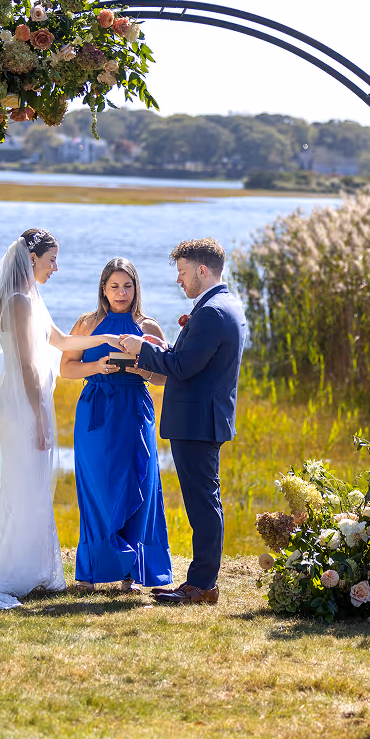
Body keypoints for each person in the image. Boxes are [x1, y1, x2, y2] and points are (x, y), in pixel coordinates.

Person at [0, 229, 123, 609]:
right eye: (51, 259)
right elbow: (25, 365)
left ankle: (34, 566)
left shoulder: (32, 299)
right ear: (32, 258)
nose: (55, 267)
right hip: (25, 405)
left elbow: (60, 341)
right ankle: (13, 571)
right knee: (24, 481)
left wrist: (105, 341)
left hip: (35, 400)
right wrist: (38, 418)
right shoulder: (19, 302)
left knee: (34, 482)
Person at [119, 238, 247, 606]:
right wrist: (156, 352)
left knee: (203, 505)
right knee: (205, 502)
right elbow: (186, 359)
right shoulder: (226, 305)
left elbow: (181, 367)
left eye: (183, 272)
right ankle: (202, 581)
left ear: (202, 271)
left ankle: (202, 585)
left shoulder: (211, 313)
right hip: (205, 419)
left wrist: (141, 349)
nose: (180, 280)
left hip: (198, 422)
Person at [60, 258, 173, 595]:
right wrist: (97, 365)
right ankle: (91, 572)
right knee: (97, 488)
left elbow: (166, 376)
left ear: (136, 288)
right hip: (96, 412)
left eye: (127, 285)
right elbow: (67, 368)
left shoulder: (149, 327)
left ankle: (132, 574)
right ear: (103, 289)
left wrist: (142, 371)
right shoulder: (87, 323)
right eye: (114, 286)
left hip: (135, 411)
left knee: (139, 482)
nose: (121, 292)